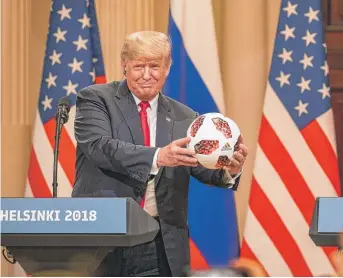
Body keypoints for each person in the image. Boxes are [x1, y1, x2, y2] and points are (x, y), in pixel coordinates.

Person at [72, 31, 248, 276]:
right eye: (138, 66)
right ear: (124, 66)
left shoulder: (186, 117)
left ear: (167, 68)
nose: (146, 75)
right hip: (102, 239)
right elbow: (100, 147)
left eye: (154, 66)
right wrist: (157, 156)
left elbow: (198, 167)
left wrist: (229, 170)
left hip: (158, 244)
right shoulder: (95, 99)